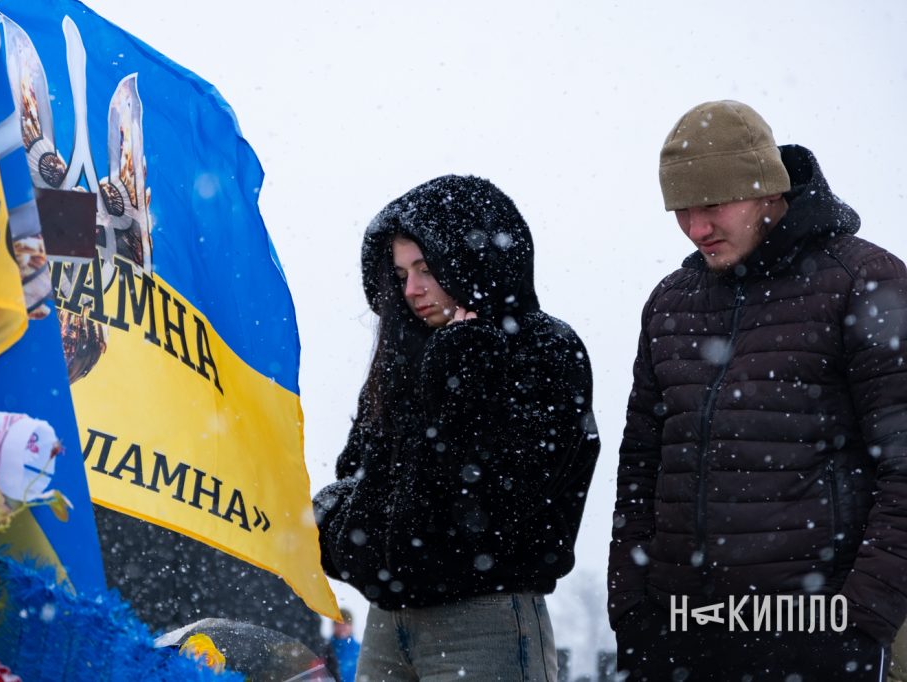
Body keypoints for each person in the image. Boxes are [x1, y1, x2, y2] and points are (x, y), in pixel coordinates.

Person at [608, 100, 907, 680]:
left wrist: (860, 623)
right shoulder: (671, 302)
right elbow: (641, 467)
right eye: (681, 209)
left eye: (713, 205)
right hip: (677, 633)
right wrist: (632, 608)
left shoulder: (865, 282)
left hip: (813, 629)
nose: (696, 229)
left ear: (769, 190)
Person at [313, 174, 600, 681]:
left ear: (471, 259)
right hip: (386, 625)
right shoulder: (401, 358)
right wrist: (349, 538)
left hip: (485, 623)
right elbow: (357, 482)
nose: (411, 289)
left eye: (426, 268)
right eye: (400, 273)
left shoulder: (542, 349)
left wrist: (461, 376)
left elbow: (501, 505)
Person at [324, 608, 361, 682]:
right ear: (333, 626)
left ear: (351, 626)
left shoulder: (360, 650)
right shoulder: (324, 649)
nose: (342, 627)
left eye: (345, 623)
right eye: (338, 623)